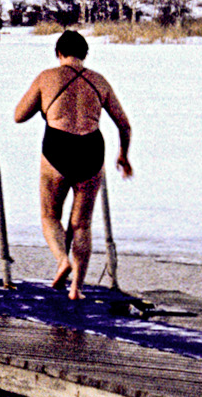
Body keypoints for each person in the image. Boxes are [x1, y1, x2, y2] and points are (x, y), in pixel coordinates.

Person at [13, 30, 133, 299]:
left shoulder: (47, 77)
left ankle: (62, 260)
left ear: (58, 53)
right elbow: (124, 124)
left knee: (50, 216)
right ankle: (76, 288)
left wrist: (46, 105)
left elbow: (19, 115)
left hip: (58, 146)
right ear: (85, 54)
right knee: (82, 224)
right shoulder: (99, 81)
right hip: (92, 149)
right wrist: (123, 155)